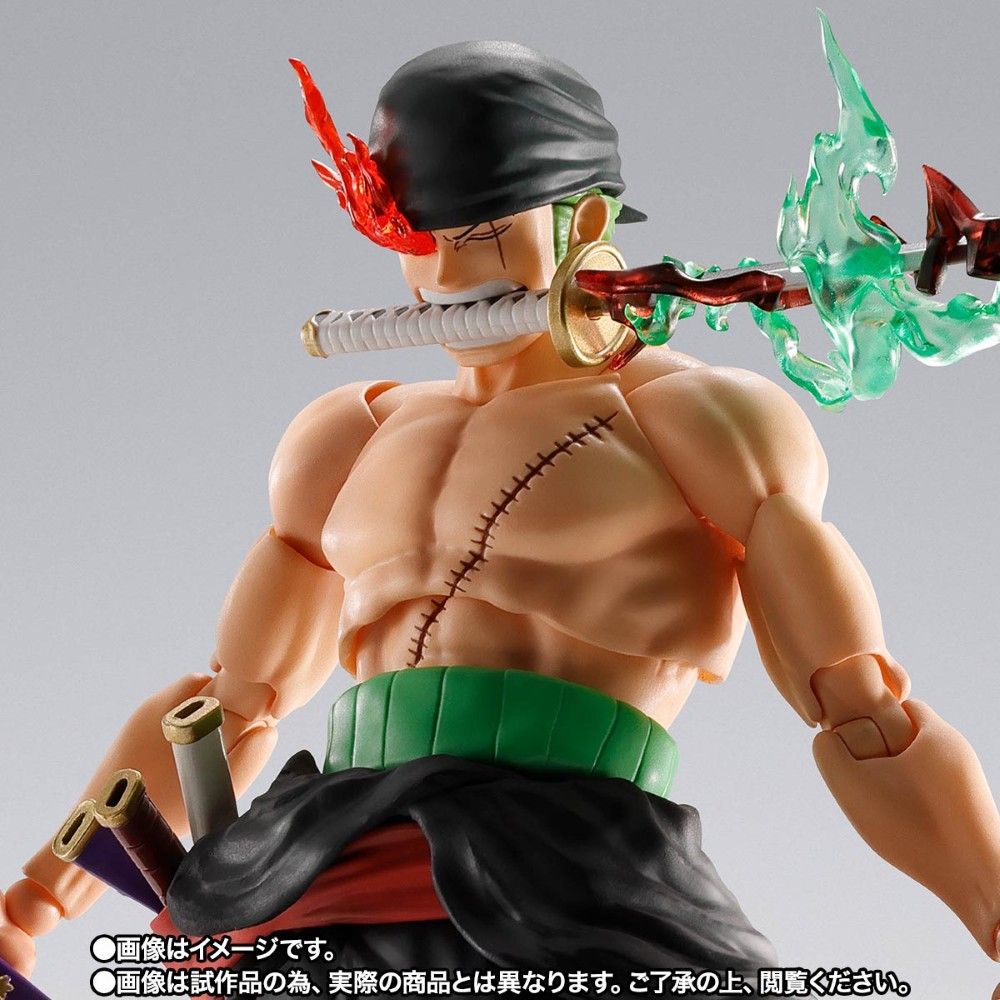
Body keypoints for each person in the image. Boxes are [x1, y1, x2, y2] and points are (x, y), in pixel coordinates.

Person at [2, 39, 999, 996]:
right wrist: (30, 908)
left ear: (585, 219)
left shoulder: (695, 421)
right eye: (419, 241)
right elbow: (230, 707)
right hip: (318, 864)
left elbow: (862, 713)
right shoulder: (346, 436)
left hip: (572, 871)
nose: (446, 279)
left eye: (482, 235)